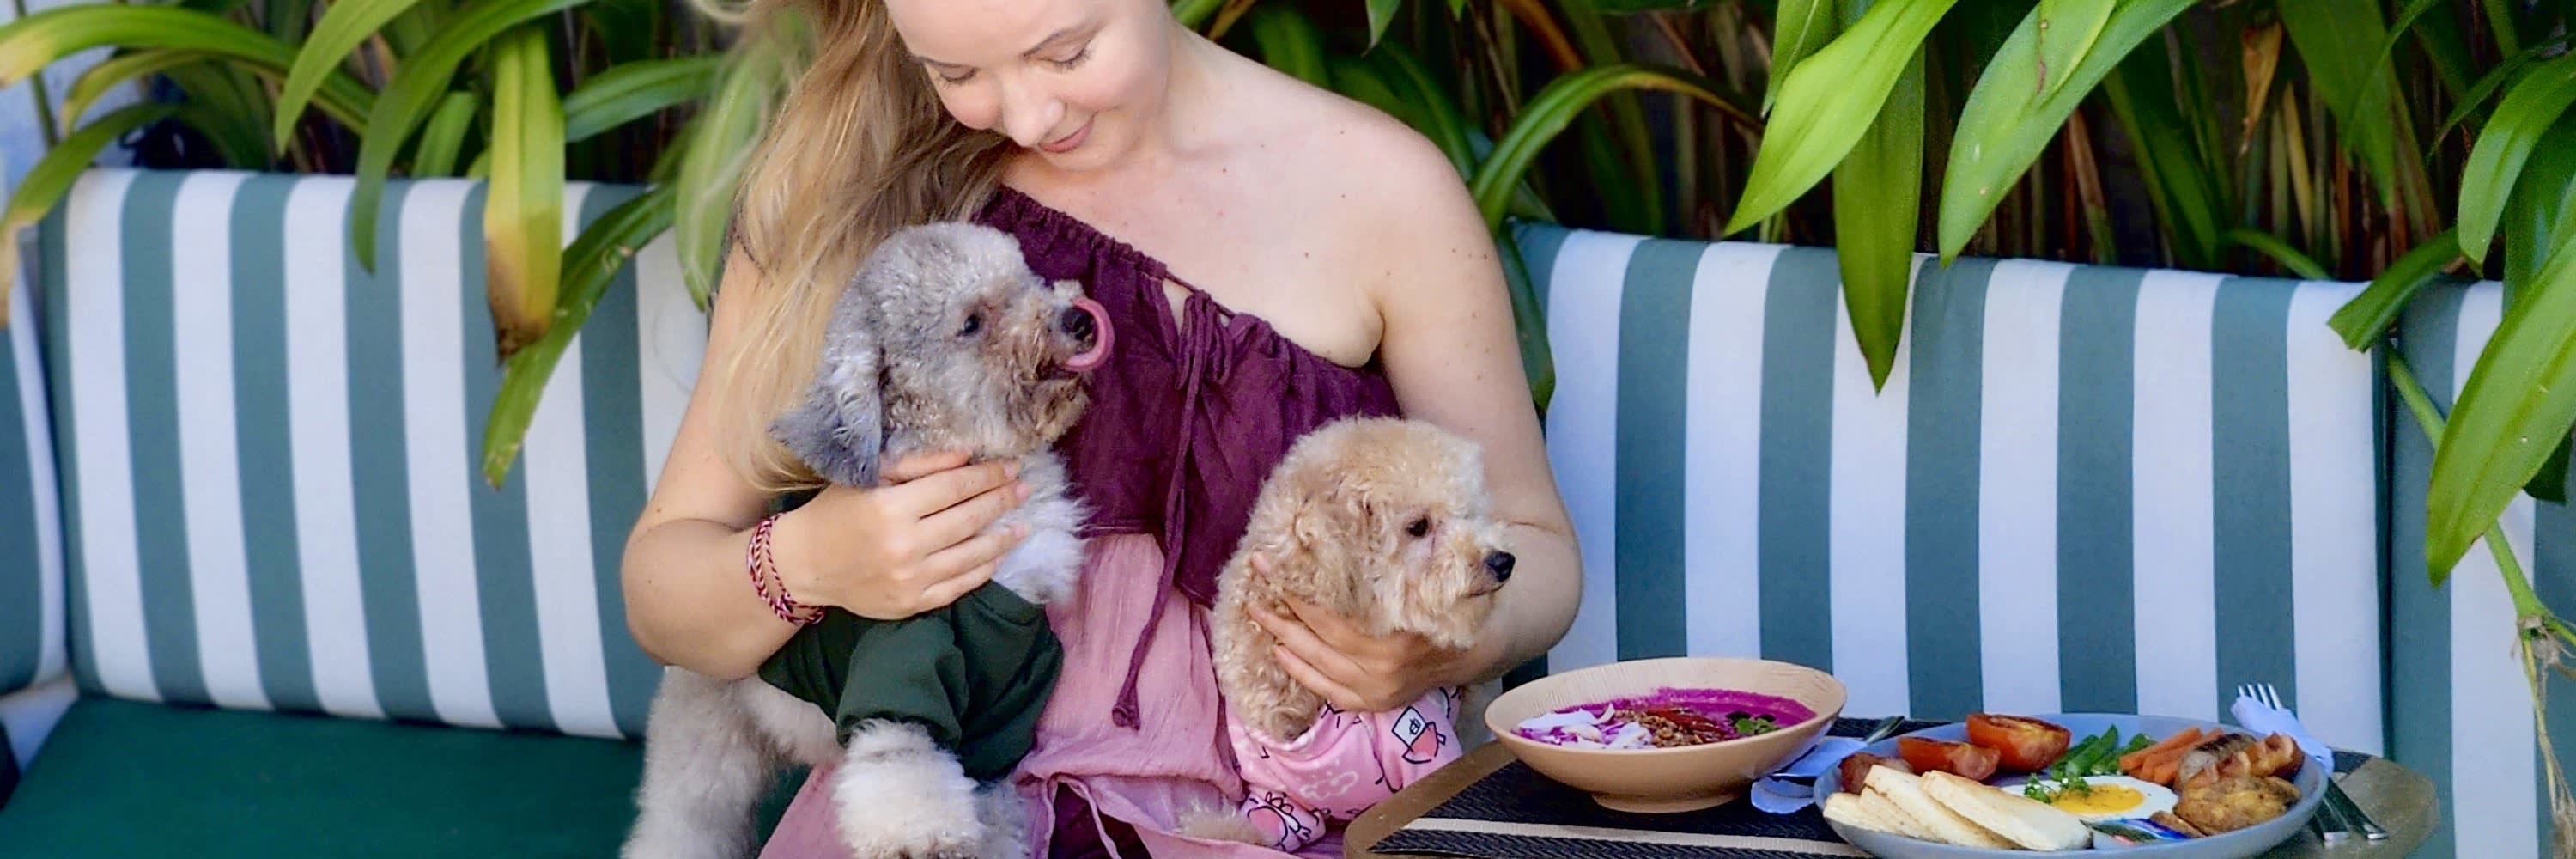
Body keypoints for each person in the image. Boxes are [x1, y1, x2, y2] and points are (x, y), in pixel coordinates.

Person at [618, 0, 1583, 855]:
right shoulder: (846, 184)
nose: (1027, 117)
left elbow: (1539, 549)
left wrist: (1440, 649)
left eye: (1067, 52)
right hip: (943, 819)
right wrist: (814, 559)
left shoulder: (1382, 191)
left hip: (1273, 818)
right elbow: (662, 588)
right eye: (954, 72)